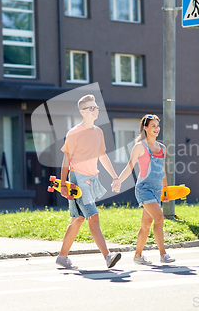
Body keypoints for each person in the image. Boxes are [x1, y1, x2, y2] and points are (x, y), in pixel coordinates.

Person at [56, 94, 122, 269]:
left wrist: (115, 177)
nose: (95, 110)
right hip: (78, 179)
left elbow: (102, 156)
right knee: (93, 216)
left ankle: (62, 257)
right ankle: (108, 256)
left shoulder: (98, 132)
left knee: (77, 219)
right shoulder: (74, 133)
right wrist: (63, 184)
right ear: (82, 111)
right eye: (91, 108)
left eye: (96, 107)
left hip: (92, 179)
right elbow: (66, 160)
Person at [117, 114, 175, 265]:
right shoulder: (139, 147)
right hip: (144, 188)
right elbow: (129, 166)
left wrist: (165, 190)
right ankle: (163, 254)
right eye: (153, 126)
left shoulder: (162, 148)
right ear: (146, 128)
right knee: (160, 218)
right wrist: (118, 181)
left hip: (156, 190)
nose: (157, 128)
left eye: (158, 125)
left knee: (146, 224)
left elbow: (163, 171)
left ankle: (138, 256)